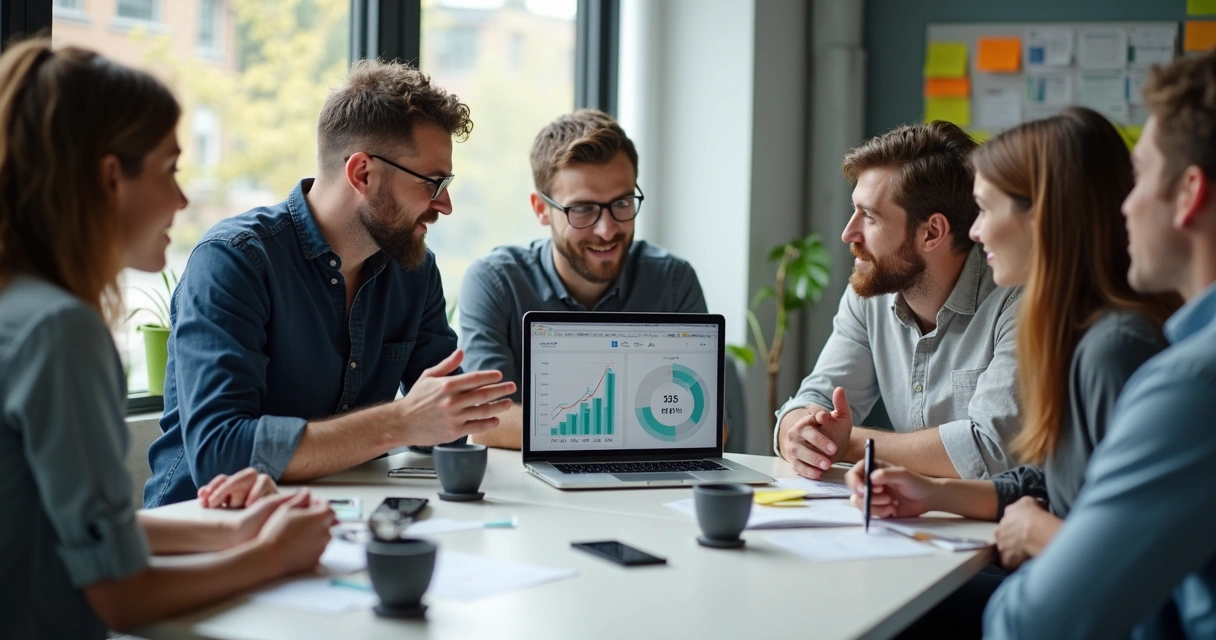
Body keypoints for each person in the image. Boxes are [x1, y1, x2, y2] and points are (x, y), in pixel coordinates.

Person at [0, 41, 334, 639]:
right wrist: (272, 557)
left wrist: (235, 530)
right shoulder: (60, 332)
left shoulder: (18, 308)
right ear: (110, 178)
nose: (182, 199)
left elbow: (78, 528)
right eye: (169, 169)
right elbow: (119, 596)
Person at [842, 107, 1178, 638]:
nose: (973, 232)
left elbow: (1143, 554)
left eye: (984, 209)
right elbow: (1060, 481)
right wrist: (934, 493)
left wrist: (1042, 533)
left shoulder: (1111, 351)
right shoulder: (1075, 332)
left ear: (1042, 219)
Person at [145, 59, 516, 507]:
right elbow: (221, 454)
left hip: (339, 518)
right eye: (433, 182)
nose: (447, 205)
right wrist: (400, 422)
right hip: (206, 528)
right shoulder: (235, 260)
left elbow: (448, 422)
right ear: (362, 173)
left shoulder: (413, 270)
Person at [982, 50, 1216, 640]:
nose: (1124, 205)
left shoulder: (1174, 375)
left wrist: (1039, 536)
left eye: (1140, 178)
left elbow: (1032, 624)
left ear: (1189, 193)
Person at [774, 121, 1022, 480]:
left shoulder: (1015, 300)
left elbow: (990, 450)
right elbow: (814, 400)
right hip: (909, 520)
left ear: (932, 232)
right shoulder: (871, 291)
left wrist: (846, 443)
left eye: (870, 217)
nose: (848, 233)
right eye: (854, 210)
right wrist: (798, 433)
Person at [457, 109, 710, 450]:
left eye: (621, 203)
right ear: (541, 210)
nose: (606, 230)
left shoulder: (674, 281)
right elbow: (486, 422)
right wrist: (635, 429)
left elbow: (708, 426)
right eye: (582, 209)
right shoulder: (495, 282)